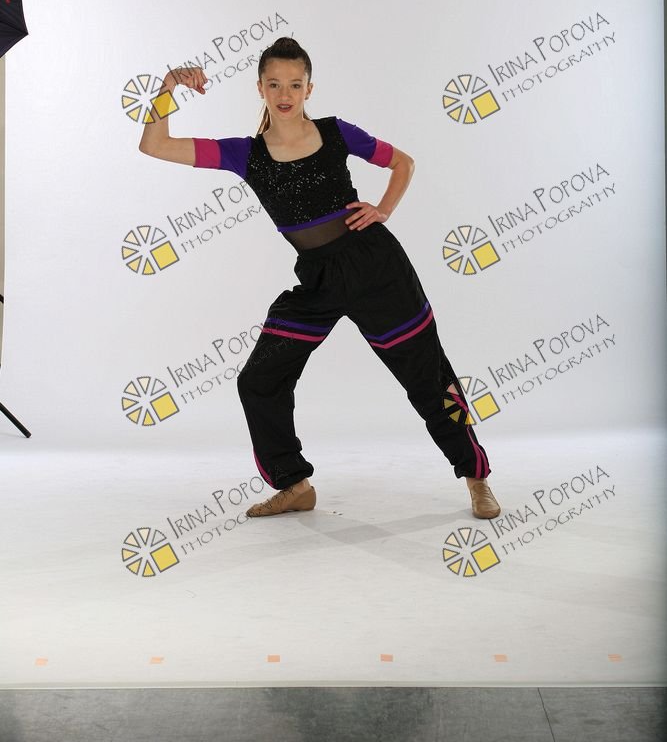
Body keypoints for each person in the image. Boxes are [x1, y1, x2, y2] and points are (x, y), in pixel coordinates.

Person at [139, 37, 500, 521]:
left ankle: (476, 477)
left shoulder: (336, 132)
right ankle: (294, 485)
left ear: (309, 88)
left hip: (377, 269)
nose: (284, 93)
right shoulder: (244, 154)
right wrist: (168, 85)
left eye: (295, 84)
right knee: (259, 379)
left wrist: (383, 209)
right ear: (260, 88)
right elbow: (155, 144)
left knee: (428, 378)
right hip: (317, 280)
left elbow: (403, 162)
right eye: (274, 84)